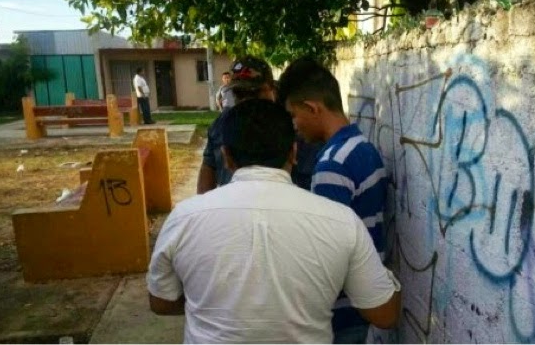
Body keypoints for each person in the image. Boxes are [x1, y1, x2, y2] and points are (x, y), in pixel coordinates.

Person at [147, 98, 401, 343]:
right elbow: (384, 314)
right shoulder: (341, 220)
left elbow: (161, 301)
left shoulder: (183, 218)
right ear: (293, 152)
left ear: (226, 156)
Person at [278, 58, 389, 343]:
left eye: (293, 115)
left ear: (312, 108)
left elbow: (328, 253)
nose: (294, 126)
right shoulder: (362, 146)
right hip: (362, 298)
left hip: (341, 310)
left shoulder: (331, 165)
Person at [197, 56, 322, 193]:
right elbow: (208, 166)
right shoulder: (222, 124)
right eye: (240, 94)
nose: (247, 100)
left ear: (273, 89)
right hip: (233, 209)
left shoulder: (292, 124)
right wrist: (204, 203)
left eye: (255, 92)